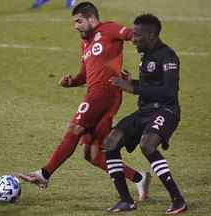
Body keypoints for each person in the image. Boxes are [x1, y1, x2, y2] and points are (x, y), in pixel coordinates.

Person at [17, 2, 151, 202]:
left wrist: (148, 58)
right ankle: (139, 178)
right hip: (101, 95)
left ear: (91, 18)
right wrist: (71, 82)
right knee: (92, 154)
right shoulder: (85, 43)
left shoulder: (109, 29)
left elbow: (133, 35)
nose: (76, 26)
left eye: (78, 21)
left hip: (104, 92)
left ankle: (43, 175)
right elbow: (84, 75)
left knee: (74, 129)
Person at [104, 14, 188, 214]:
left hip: (166, 110)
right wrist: (132, 83)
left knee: (147, 144)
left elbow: (168, 92)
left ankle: (178, 200)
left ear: (151, 35)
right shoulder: (146, 57)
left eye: (138, 35)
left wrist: (132, 88)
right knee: (110, 142)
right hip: (145, 111)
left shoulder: (168, 56)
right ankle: (126, 200)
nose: (133, 38)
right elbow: (149, 86)